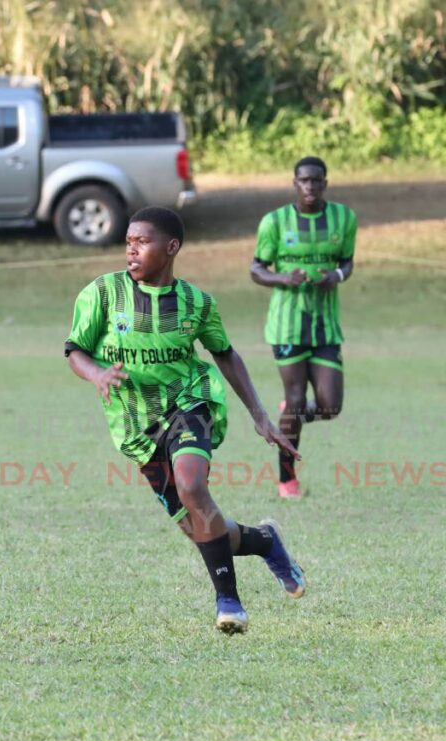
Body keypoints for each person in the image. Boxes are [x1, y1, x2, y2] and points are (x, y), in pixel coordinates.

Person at [65, 206, 306, 634]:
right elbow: (75, 351)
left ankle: (229, 603)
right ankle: (266, 542)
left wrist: (260, 415)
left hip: (189, 403)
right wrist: (98, 373)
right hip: (136, 424)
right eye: (128, 242)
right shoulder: (101, 294)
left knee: (193, 486)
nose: (131, 251)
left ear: (171, 247)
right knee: (199, 529)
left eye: (142, 242)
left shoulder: (197, 304)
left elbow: (225, 354)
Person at [250, 156, 356, 498]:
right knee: (295, 399)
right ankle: (287, 480)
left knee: (329, 405)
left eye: (316, 180)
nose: (309, 186)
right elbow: (256, 269)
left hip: (325, 325)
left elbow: (347, 261)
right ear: (295, 183)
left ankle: (289, 417)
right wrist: (283, 277)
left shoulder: (344, 218)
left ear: (325, 183)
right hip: (287, 325)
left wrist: (336, 276)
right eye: (303, 181)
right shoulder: (275, 222)